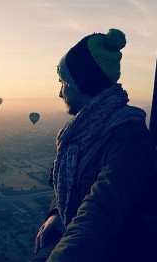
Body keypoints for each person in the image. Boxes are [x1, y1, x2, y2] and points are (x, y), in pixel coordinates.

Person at [29, 28, 157, 262]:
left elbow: (99, 213)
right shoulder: (82, 133)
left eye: (63, 82)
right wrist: (56, 213)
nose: (60, 93)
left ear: (80, 83)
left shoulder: (129, 138)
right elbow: (67, 181)